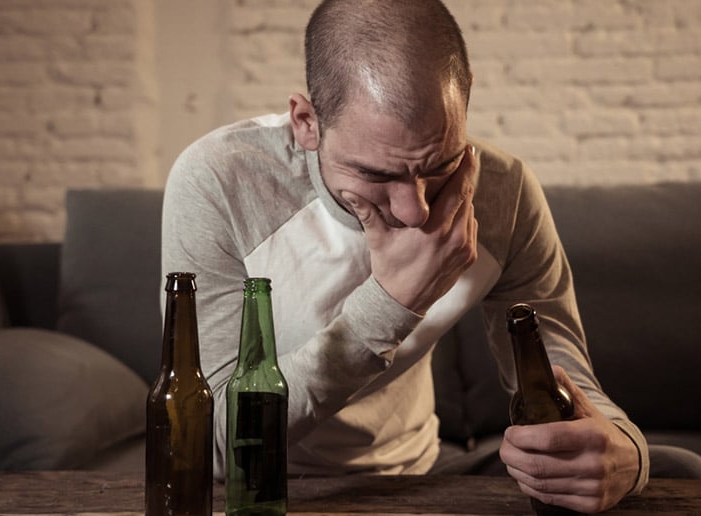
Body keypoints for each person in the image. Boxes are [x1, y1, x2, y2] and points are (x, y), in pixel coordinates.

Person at [162, 0, 655, 512]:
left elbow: (565, 381)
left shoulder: (503, 193)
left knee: (684, 470)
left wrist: (626, 453)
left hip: (421, 476)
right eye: (377, 175)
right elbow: (208, 445)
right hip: (264, 490)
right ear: (307, 122)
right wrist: (390, 304)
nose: (416, 209)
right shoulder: (219, 181)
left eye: (440, 164)